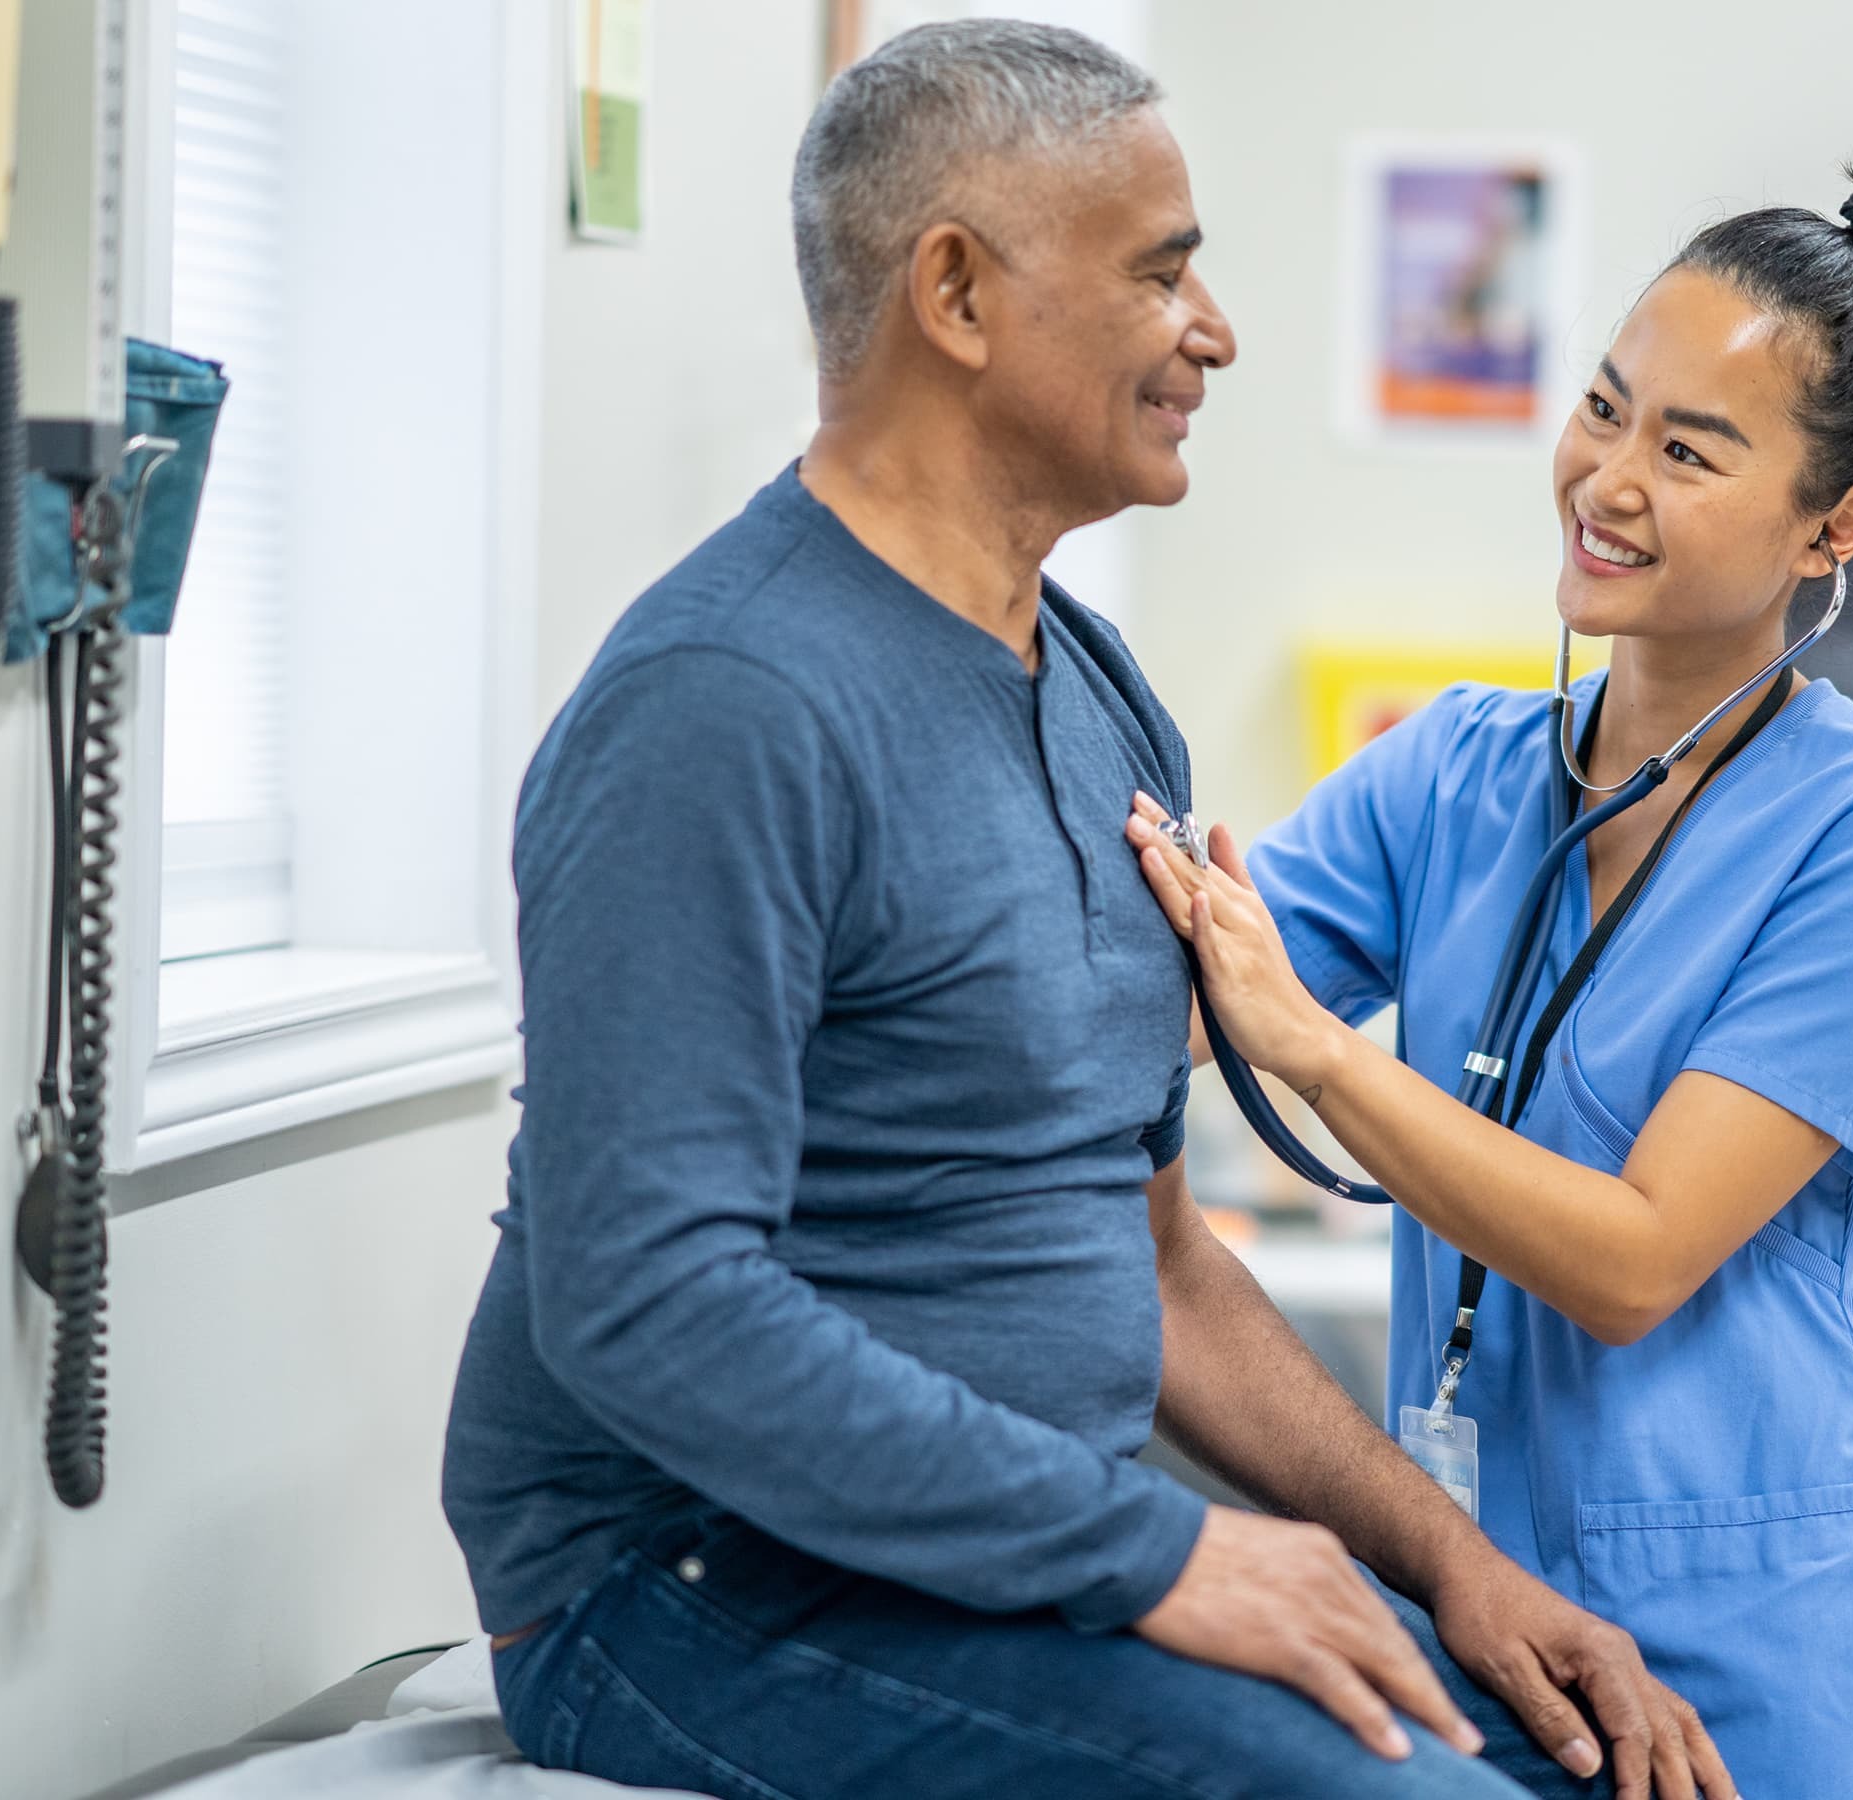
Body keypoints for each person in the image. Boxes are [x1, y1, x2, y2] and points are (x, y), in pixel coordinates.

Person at [442, 23, 1730, 1800]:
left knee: (1595, 1763)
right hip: (683, 1587)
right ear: (957, 295)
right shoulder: (725, 704)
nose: (1215, 331)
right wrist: (1166, 1555)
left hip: (1004, 1562)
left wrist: (1447, 1561)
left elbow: (1160, 1264)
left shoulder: (1098, 691)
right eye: (1163, 272)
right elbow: (645, 1303)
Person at [1124, 151, 1853, 1799]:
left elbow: (1636, 1259)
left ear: (1837, 524)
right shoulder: (1452, 772)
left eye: (1689, 451)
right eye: (1605, 411)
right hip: (1480, 1634)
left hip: (1770, 1669)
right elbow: (1158, 1005)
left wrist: (1318, 1055)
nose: (1608, 480)